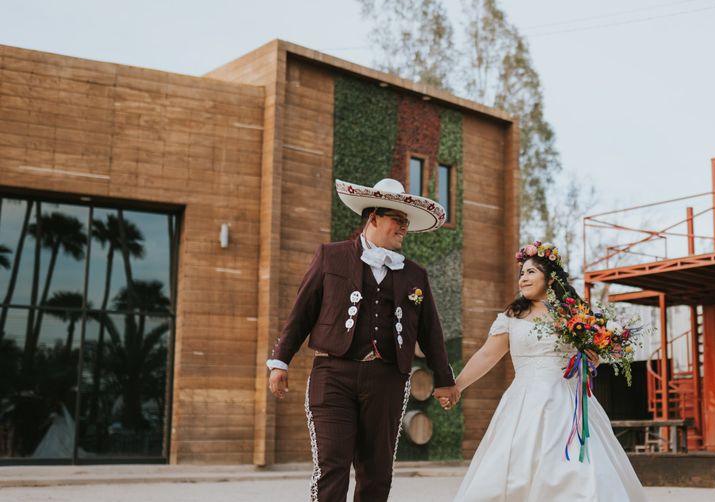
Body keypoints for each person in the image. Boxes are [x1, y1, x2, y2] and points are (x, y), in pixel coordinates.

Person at [266, 178, 460, 502]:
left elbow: (431, 333)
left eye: (407, 223)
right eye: (398, 220)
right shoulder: (331, 256)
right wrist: (280, 361)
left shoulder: (415, 275)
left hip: (388, 379)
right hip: (333, 375)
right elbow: (301, 313)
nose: (404, 228)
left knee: (377, 472)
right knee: (332, 467)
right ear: (374, 218)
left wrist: (444, 379)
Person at [447, 241, 648, 501]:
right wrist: (457, 385)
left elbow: (589, 358)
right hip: (523, 403)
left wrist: (593, 360)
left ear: (550, 278)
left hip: (570, 404)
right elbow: (487, 355)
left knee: (579, 471)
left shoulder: (576, 316)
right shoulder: (511, 316)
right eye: (521, 273)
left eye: (531, 272)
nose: (523, 278)